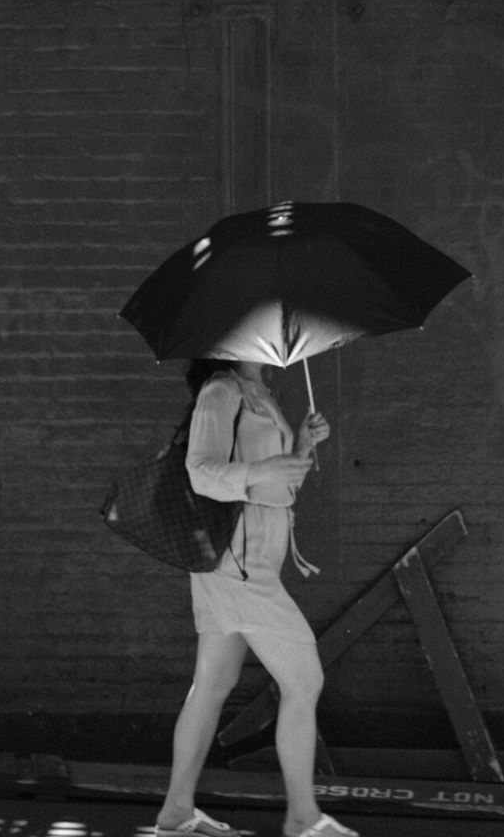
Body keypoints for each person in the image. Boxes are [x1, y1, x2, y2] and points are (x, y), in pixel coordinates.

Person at [154, 358, 359, 837]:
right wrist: (266, 465)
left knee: (213, 681)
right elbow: (201, 473)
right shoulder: (221, 392)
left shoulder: (260, 394)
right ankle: (303, 820)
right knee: (304, 679)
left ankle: (176, 813)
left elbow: (278, 490)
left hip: (251, 557)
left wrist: (302, 446)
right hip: (235, 558)